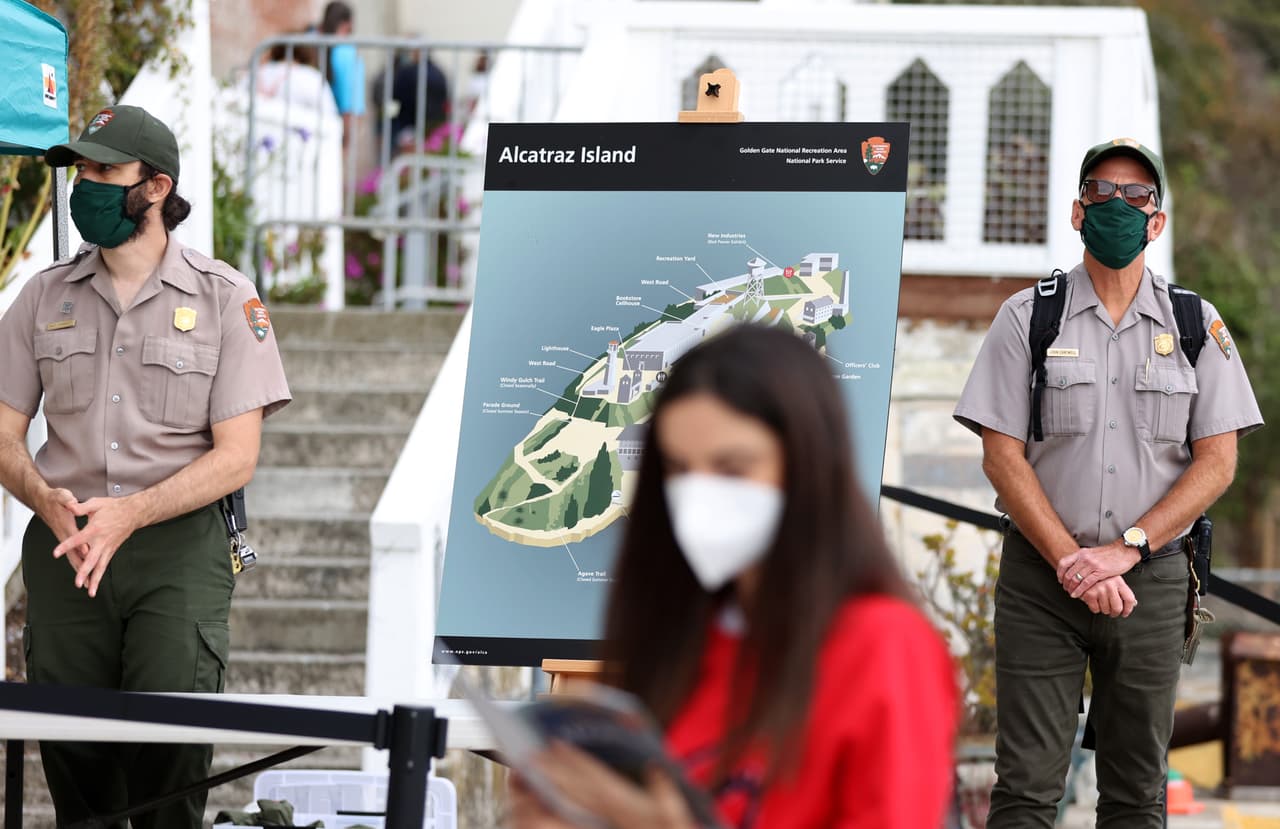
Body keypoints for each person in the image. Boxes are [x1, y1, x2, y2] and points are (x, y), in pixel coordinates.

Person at [509, 324, 959, 829]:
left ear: (807, 465)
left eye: (733, 468)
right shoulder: (682, 640)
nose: (700, 495)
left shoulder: (882, 646)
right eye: (679, 469)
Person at [953, 138, 1263, 828]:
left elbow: (1218, 462)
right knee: (1026, 787)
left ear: (1157, 221)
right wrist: (1072, 557)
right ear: (1076, 211)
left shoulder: (1193, 323)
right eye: (1102, 192)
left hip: (1149, 582)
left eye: (1137, 196)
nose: (1118, 205)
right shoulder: (1027, 317)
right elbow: (1001, 456)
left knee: (1135, 791)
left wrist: (1125, 547)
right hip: (1042, 582)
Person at [0, 105, 291, 828]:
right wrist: (43, 496)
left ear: (155, 186)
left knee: (168, 755)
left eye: (104, 171)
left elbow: (237, 457)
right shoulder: (43, 296)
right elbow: (2, 432)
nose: (85, 186)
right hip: (66, 541)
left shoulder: (226, 297)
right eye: (82, 171)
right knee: (77, 763)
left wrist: (129, 513)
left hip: (176, 547)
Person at [371, 46, 450, 152]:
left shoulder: (407, 73)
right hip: (434, 128)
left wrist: (386, 121)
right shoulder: (439, 73)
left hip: (408, 127)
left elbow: (395, 100)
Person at [319, 0, 364, 148]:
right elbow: (349, 99)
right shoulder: (347, 52)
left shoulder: (318, 48)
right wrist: (348, 135)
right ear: (348, 23)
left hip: (321, 122)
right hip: (340, 124)